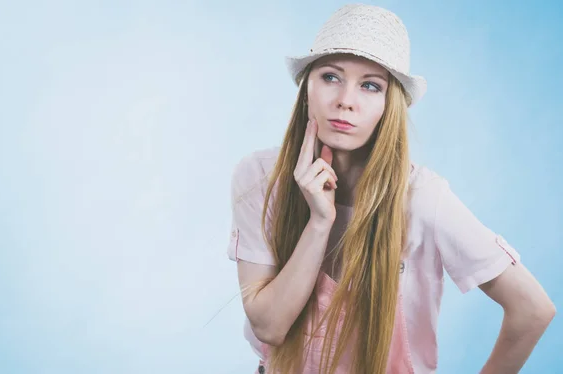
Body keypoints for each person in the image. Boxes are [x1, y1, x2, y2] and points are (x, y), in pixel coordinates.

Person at [226, 4, 555, 374]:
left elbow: (533, 310)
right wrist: (320, 221)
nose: (346, 100)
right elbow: (269, 326)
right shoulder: (259, 177)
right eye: (331, 77)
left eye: (370, 85)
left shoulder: (422, 198)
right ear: (307, 89)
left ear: (389, 105)